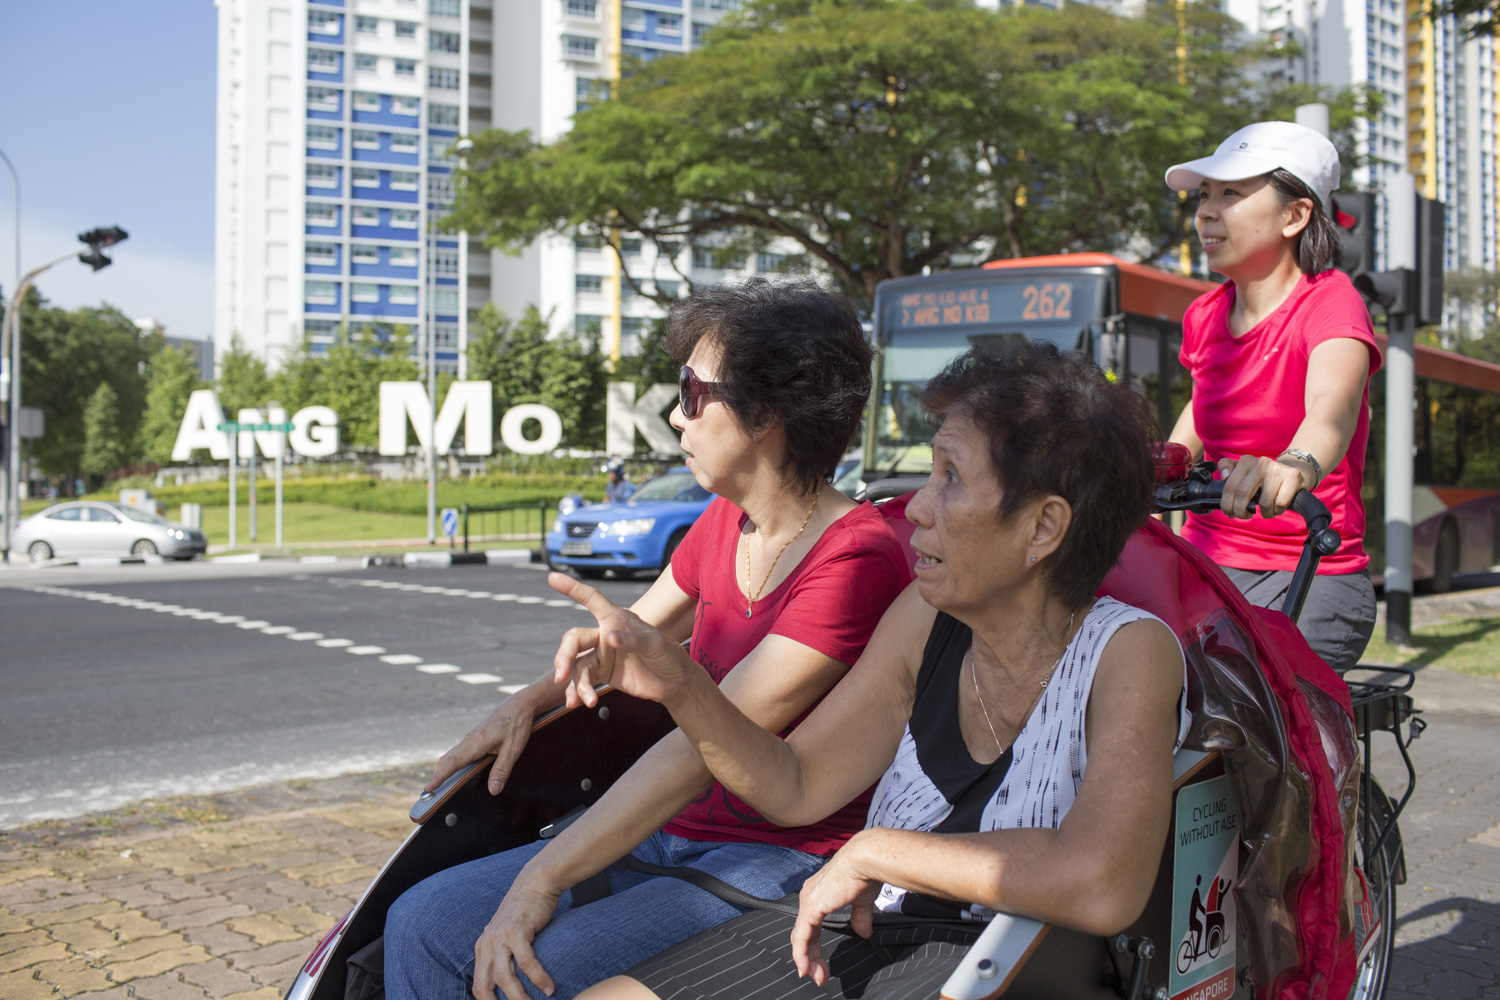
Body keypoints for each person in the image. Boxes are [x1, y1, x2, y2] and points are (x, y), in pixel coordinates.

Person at [556, 343, 1192, 1000]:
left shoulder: (1127, 650)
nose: (915, 507)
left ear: (1043, 527)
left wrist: (875, 852)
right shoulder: (925, 616)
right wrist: (687, 689)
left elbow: (1101, 882)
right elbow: (796, 784)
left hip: (1005, 960)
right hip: (860, 928)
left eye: (951, 477)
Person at [383, 279, 912, 1000]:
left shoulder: (855, 559)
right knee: (419, 920)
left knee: (536, 971)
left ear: (766, 414)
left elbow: (701, 745)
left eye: (694, 393)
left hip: (778, 855)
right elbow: (627, 645)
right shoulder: (725, 523)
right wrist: (526, 705)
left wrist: (543, 877)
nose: (674, 414)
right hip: (675, 831)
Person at [1163, 121, 1382, 671]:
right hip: (1206, 562)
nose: (1206, 212)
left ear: (1295, 215)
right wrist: (1156, 463)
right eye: (1204, 196)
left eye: (1231, 194)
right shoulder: (1204, 315)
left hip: (1308, 568)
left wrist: (1296, 463)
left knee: (1248, 712)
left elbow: (1333, 410)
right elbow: (1204, 402)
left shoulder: (1330, 302)